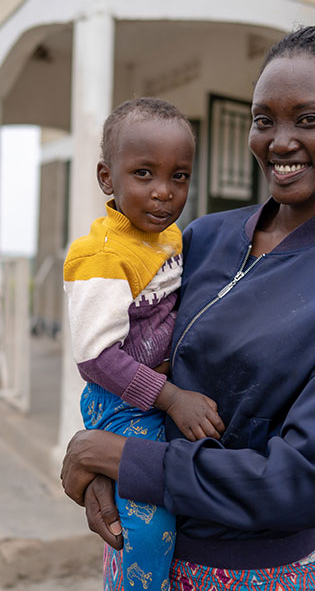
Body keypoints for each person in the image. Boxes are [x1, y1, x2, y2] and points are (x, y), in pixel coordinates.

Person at [61, 25, 315, 589]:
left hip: (255, 572)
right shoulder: (203, 237)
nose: (280, 142)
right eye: (264, 121)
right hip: (141, 545)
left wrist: (119, 460)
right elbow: (131, 352)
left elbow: (306, 479)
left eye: (308, 120)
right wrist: (101, 472)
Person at [63, 97, 226, 590]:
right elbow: (95, 358)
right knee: (146, 529)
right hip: (121, 404)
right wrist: (172, 398)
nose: (163, 193)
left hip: (150, 397)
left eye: (179, 176)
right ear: (107, 179)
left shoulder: (169, 238)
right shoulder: (102, 256)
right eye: (144, 174)